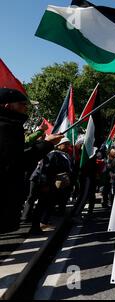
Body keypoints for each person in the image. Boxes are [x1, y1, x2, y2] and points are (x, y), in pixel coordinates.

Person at [0, 88, 63, 233]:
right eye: (22, 103)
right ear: (7, 105)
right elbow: (16, 162)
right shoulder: (6, 128)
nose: (26, 107)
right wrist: (47, 143)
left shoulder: (11, 126)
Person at [31, 137, 74, 234]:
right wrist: (44, 184)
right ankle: (35, 227)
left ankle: (43, 223)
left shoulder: (64, 155)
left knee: (49, 204)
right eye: (65, 144)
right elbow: (45, 170)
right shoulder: (53, 154)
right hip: (47, 183)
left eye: (68, 144)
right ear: (59, 145)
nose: (68, 146)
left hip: (53, 183)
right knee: (42, 205)